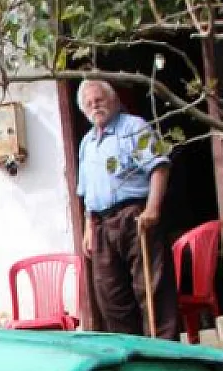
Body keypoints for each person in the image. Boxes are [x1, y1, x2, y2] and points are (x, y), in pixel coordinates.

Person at [76, 80, 180, 339]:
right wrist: (89, 228)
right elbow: (87, 192)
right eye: (88, 103)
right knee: (111, 296)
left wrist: (153, 209)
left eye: (99, 100)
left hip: (134, 216)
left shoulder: (134, 127)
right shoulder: (87, 143)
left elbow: (159, 167)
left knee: (151, 288)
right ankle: (132, 354)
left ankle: (164, 354)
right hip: (100, 223)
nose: (94, 106)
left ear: (113, 100)